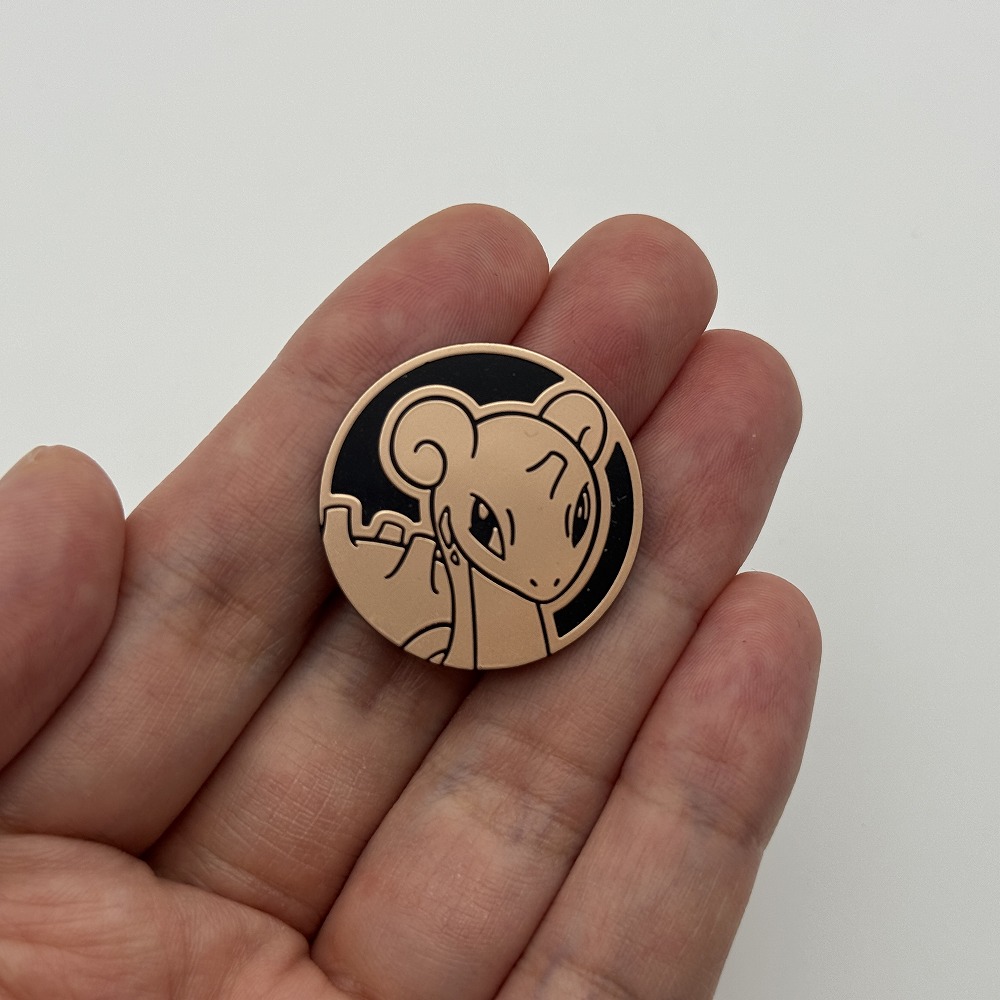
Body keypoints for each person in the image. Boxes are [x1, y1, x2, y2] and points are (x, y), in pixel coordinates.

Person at [0, 205, 820, 999]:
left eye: (578, 516)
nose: (547, 570)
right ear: (430, 460)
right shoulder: (414, 576)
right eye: (493, 526)